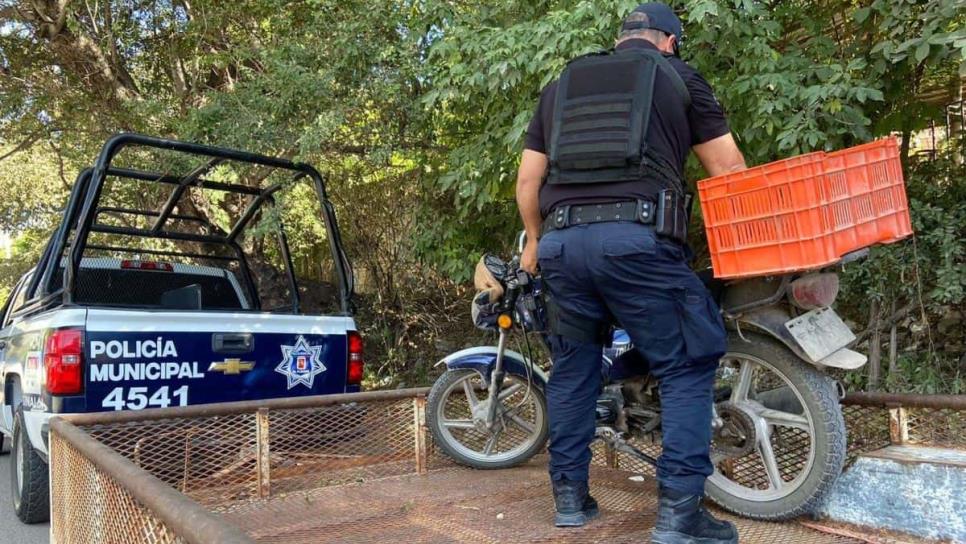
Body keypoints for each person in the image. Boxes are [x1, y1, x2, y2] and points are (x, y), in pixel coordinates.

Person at [514, 3, 747, 543]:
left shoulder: (562, 84)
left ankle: (571, 501)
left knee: (573, 371)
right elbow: (728, 170)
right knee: (688, 364)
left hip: (563, 248)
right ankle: (679, 517)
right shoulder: (680, 77)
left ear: (621, 39)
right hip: (637, 243)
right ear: (669, 41)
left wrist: (535, 246)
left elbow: (528, 182)